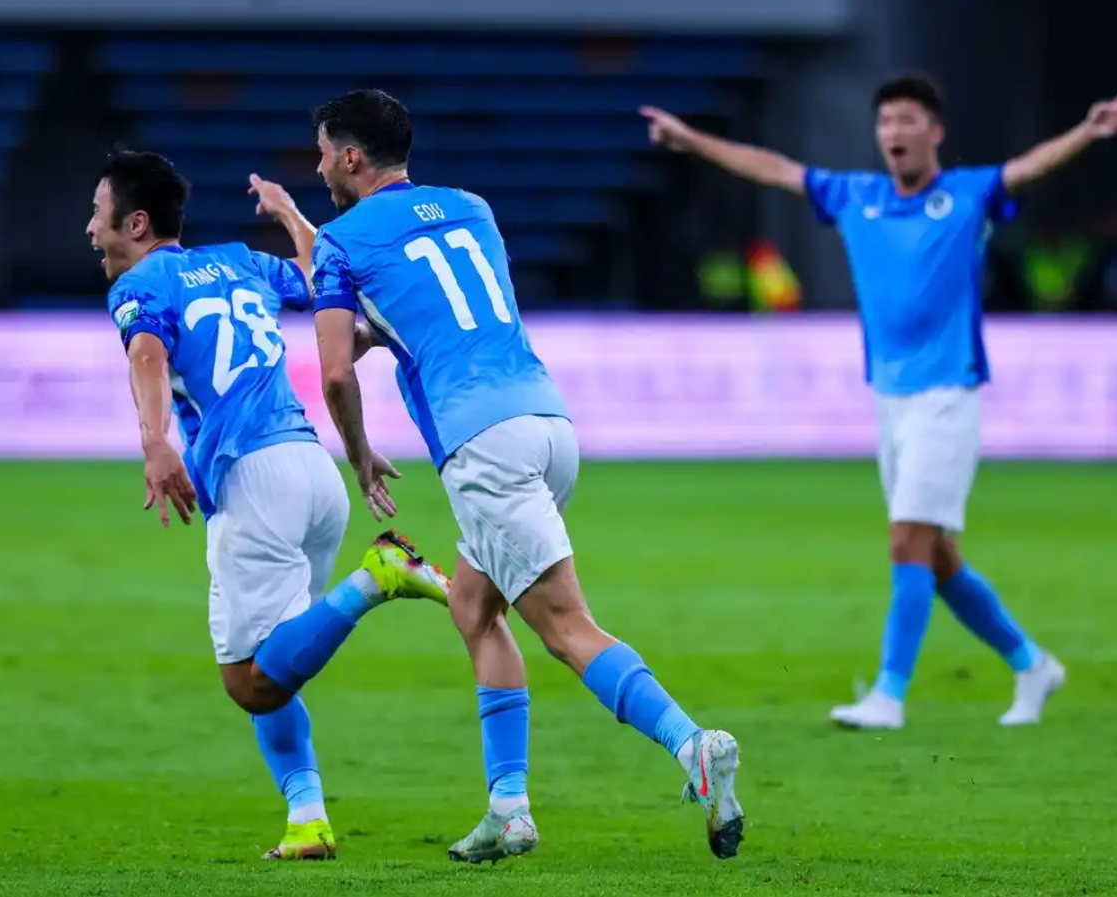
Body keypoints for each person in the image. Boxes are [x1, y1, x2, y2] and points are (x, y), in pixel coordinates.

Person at [305, 89, 744, 862]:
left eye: (320, 154)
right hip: (546, 422)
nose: (316, 169)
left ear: (349, 156)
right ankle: (508, 810)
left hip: (483, 443)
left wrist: (359, 449)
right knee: (473, 606)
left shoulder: (339, 242)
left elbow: (336, 370)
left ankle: (691, 746)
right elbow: (442, 308)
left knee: (566, 628)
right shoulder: (471, 208)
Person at [641, 75, 1117, 730]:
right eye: (885, 121)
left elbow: (1026, 168)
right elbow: (773, 168)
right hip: (890, 400)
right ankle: (1031, 664)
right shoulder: (856, 196)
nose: (894, 132)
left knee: (906, 539)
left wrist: (1086, 132)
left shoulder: (965, 195)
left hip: (947, 392)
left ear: (935, 131)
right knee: (937, 557)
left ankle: (888, 695)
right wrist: (692, 141)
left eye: (907, 119)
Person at [90, 150, 450, 859]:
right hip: (312, 472)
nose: (89, 230)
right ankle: (306, 818)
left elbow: (147, 356)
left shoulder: (141, 283)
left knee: (248, 683)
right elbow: (322, 279)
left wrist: (154, 442)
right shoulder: (239, 261)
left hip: (252, 480)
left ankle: (378, 575)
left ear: (135, 224)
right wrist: (289, 215)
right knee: (275, 665)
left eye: (97, 215)